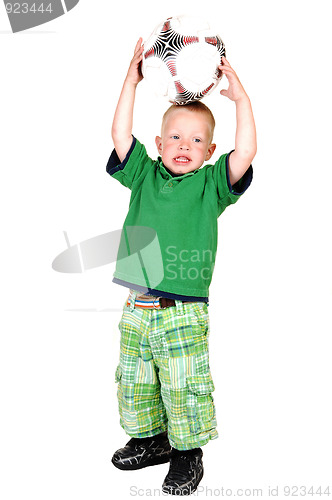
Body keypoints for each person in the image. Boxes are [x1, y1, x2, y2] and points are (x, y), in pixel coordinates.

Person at [106, 38, 257, 496]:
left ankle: (187, 451)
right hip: (137, 304)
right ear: (158, 143)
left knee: (182, 383)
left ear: (210, 151)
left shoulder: (212, 185)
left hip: (183, 309)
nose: (183, 145)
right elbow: (118, 136)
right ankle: (152, 440)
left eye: (196, 140)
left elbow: (246, 152)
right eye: (174, 137)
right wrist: (129, 82)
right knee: (135, 378)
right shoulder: (144, 174)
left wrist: (242, 99)